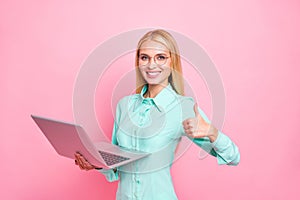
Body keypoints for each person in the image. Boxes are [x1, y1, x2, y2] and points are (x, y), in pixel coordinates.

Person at [75, 29, 240, 200]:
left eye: (160, 57)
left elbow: (233, 158)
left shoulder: (182, 107)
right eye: (144, 57)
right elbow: (115, 170)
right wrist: (94, 164)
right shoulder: (124, 106)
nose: (151, 65)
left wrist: (212, 132)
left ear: (172, 62)